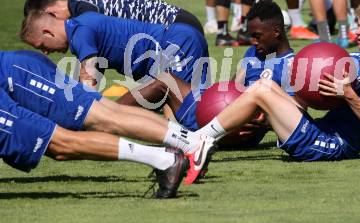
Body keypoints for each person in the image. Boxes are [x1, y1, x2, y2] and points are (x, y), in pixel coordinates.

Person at [196, 0, 360, 162]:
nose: (357, 32)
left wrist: (348, 94)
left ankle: (198, 140)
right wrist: (272, 117)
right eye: (358, 26)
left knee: (261, 89)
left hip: (332, 145)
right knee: (266, 85)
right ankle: (200, 139)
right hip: (318, 130)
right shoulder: (354, 58)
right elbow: (307, 98)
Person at [0, 50, 216, 196]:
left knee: (73, 135)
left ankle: (176, 153)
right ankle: (191, 142)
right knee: (107, 114)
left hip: (16, 74)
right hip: (17, 68)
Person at [117, 0, 294, 133]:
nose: (253, 42)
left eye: (257, 36)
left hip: (239, 126)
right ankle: (109, 117)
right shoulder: (253, 53)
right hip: (224, 111)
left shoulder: (291, 65)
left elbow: (295, 114)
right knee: (167, 78)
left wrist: (267, 123)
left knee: (165, 82)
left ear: (276, 32)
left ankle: (104, 116)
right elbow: (232, 87)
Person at [20, 9, 209, 90]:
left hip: (177, 42)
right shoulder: (80, 28)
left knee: (190, 112)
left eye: (42, 46)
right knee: (187, 107)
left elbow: (89, 82)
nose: (45, 52)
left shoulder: (79, 33)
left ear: (47, 33)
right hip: (178, 40)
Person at [23, 0, 204, 34]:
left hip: (177, 27)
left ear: (51, 14)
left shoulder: (85, 13)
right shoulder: (82, 2)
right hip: (181, 23)